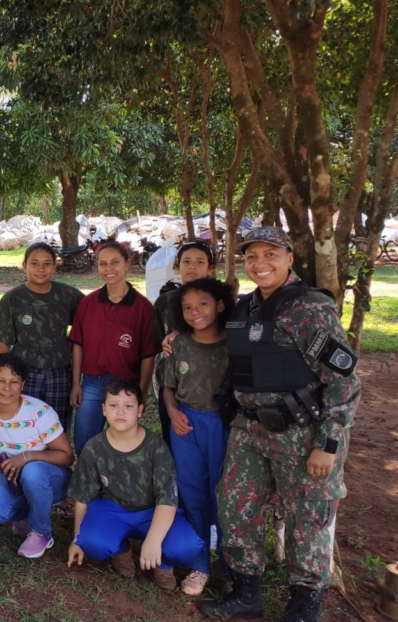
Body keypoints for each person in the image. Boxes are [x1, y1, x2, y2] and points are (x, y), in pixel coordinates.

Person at [200, 227, 361, 622]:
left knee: (306, 518)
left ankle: (304, 607)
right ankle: (246, 593)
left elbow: (344, 381)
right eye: (252, 256)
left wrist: (329, 443)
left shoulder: (309, 309)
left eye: (270, 254)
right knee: (236, 508)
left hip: (303, 434)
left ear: (289, 257)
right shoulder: (246, 307)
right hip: (250, 430)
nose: (260, 264)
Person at [67, 379, 202, 592]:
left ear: (140, 410)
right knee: (91, 541)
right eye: (113, 405)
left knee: (187, 546)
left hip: (152, 512)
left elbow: (167, 499)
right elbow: (82, 496)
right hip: (114, 509)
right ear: (103, 409)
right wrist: (76, 539)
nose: (120, 412)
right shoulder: (93, 448)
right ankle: (121, 551)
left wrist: (154, 541)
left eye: (128, 406)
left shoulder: (156, 447)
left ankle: (163, 564)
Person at [162, 278, 234, 596]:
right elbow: (168, 387)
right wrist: (174, 412)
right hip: (186, 426)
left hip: (225, 426)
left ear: (219, 305)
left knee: (225, 497)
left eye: (203, 304)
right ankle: (201, 564)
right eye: (187, 307)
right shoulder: (178, 344)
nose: (195, 312)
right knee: (192, 495)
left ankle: (233, 569)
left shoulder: (235, 342)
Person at [0, 353, 74, 559]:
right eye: (0, 381)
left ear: (23, 384)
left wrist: (26, 456)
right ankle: (28, 515)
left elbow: (67, 456)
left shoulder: (39, 413)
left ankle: (42, 532)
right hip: (10, 475)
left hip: (49, 477)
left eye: (14, 382)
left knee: (32, 470)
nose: (7, 388)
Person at [69, 240, 160, 455]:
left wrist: (142, 393)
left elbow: (148, 355)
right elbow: (78, 344)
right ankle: (88, 485)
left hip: (125, 386)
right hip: (92, 383)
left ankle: (114, 486)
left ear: (127, 263)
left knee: (120, 445)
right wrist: (76, 383)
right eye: (103, 264)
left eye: (115, 262)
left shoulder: (143, 308)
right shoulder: (88, 303)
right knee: (84, 443)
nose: (108, 269)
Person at [0, 242, 84, 431]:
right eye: (34, 263)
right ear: (24, 266)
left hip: (60, 373)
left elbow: (89, 321)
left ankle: (56, 460)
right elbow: (3, 344)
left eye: (47, 263)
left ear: (55, 265)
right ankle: (26, 460)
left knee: (57, 426)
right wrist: (2, 380)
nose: (41, 269)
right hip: (25, 374)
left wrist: (76, 382)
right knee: (24, 425)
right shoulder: (12, 299)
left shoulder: (67, 295)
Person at [150, 240, 217, 448]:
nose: (192, 267)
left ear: (210, 269)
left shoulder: (220, 302)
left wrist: (183, 332)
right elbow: (156, 342)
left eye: (199, 262)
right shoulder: (165, 302)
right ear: (178, 267)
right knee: (172, 441)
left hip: (210, 387)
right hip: (171, 385)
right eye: (186, 261)